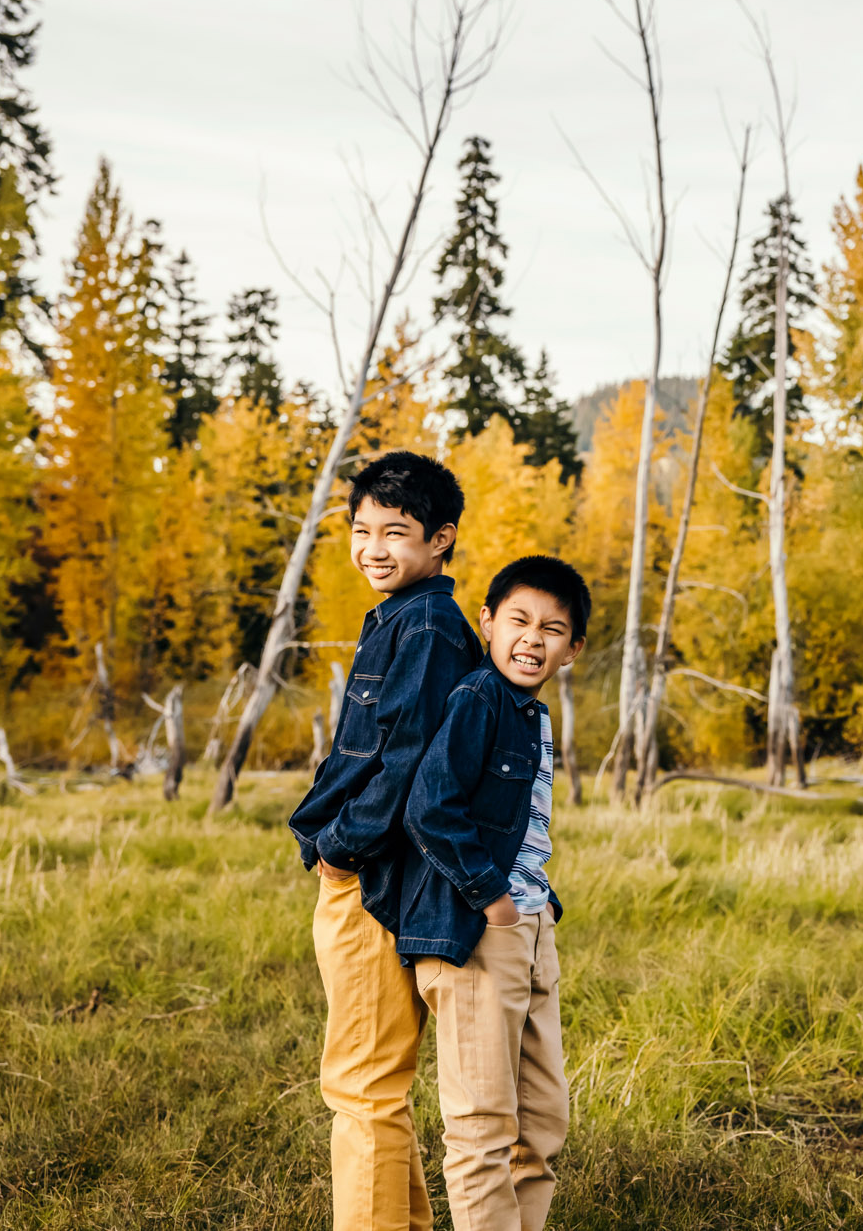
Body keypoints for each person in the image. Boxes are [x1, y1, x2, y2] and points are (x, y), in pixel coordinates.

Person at [288, 450, 480, 1231]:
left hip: (373, 878)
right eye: (362, 530)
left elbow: (407, 760)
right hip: (370, 875)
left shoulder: (429, 625)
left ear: (441, 540)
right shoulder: (403, 616)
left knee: (363, 1088)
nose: (373, 548)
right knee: (375, 1087)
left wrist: (341, 848)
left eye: (395, 532)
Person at [398, 554, 589, 1231]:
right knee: (483, 1124)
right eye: (518, 620)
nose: (533, 638)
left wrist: (538, 906)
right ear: (487, 622)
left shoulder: (530, 715)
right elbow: (430, 806)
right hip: (481, 930)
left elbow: (516, 825)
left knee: (542, 1119)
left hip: (533, 928)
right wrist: (493, 898)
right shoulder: (479, 698)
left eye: (552, 628)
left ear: (573, 649)